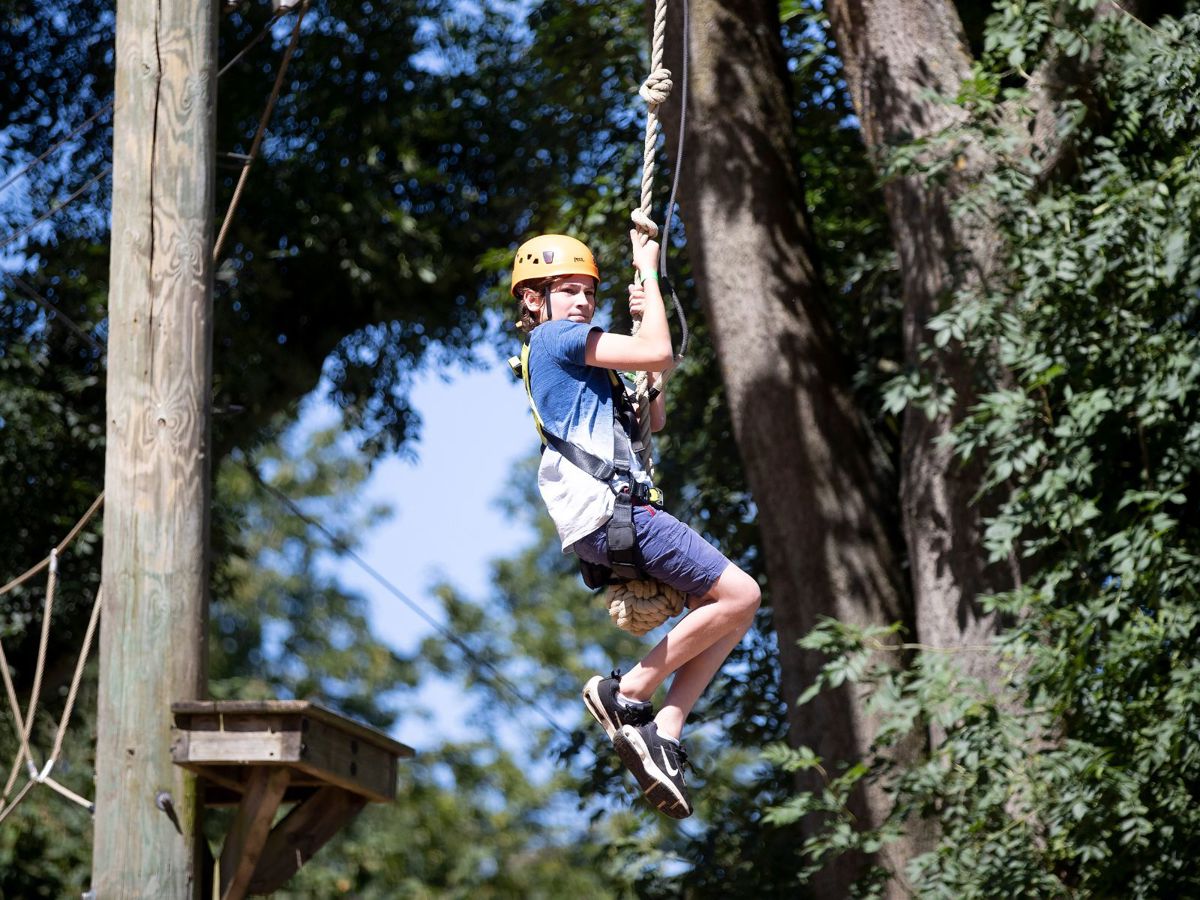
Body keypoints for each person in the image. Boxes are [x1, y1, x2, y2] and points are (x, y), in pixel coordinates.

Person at [511, 230, 761, 819]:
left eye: (587, 293)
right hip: (614, 510)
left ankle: (665, 733)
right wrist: (647, 267)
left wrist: (650, 332)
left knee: (724, 610)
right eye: (566, 290)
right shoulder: (554, 339)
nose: (580, 302)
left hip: (607, 517)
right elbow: (660, 353)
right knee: (741, 593)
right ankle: (624, 693)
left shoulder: (587, 366)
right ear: (531, 300)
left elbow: (655, 413)